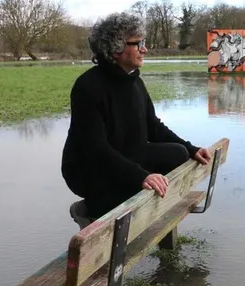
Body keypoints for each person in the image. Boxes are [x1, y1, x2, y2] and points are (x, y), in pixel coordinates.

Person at [61, 12, 211, 229]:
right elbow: (96, 148)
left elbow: (153, 127)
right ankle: (91, 209)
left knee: (178, 153)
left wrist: (191, 148)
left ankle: (116, 202)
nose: (145, 49)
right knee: (139, 186)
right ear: (116, 48)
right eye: (138, 43)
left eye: (144, 42)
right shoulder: (88, 87)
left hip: (124, 154)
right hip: (89, 168)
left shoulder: (134, 82)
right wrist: (141, 176)